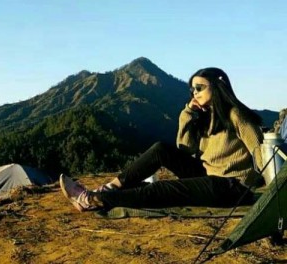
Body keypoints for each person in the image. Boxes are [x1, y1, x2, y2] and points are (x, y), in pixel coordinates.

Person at [60, 67, 264, 212]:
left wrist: (267, 192)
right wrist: (187, 115)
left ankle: (94, 199)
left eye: (200, 87)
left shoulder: (236, 115)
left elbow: (261, 150)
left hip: (234, 186)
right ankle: (108, 188)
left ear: (217, 86)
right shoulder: (206, 117)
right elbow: (184, 149)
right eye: (192, 89)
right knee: (160, 149)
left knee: (161, 189)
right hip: (209, 175)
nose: (195, 93)